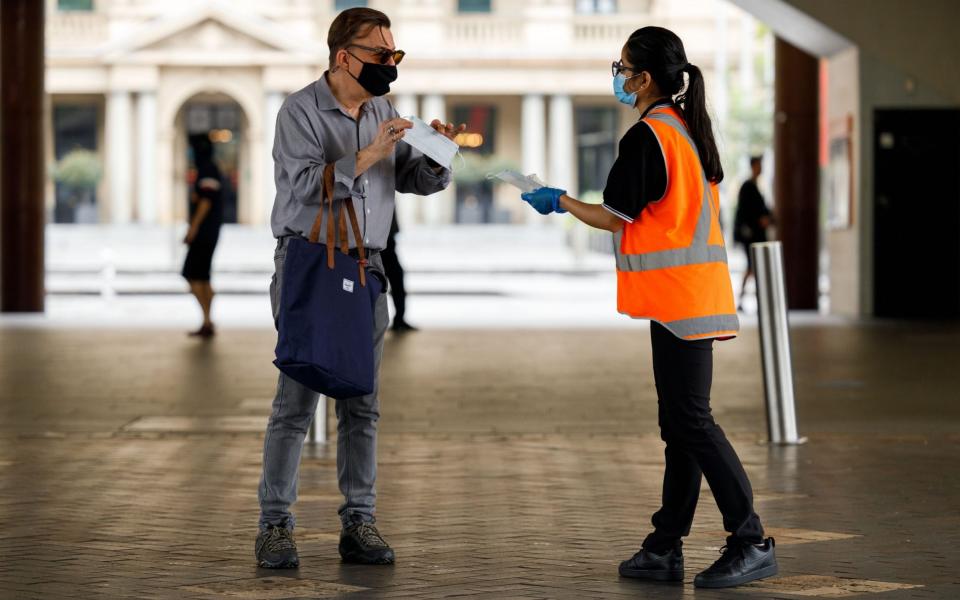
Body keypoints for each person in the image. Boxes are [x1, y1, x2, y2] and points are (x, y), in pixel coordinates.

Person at [519, 26, 778, 589]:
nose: (618, 74)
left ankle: (750, 539)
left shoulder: (648, 137)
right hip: (689, 295)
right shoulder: (685, 129)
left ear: (644, 76)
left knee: (691, 421)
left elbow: (615, 216)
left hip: (681, 299)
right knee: (680, 424)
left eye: (623, 65)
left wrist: (557, 201)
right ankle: (665, 545)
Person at [255, 7, 464, 570]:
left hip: (367, 270)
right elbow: (303, 187)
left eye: (395, 56)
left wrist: (438, 155)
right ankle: (275, 525)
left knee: (362, 403)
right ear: (344, 55)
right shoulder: (299, 111)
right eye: (380, 55)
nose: (389, 67)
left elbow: (408, 180)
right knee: (296, 401)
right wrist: (372, 148)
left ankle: (360, 521)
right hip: (310, 263)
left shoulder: (382, 107)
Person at [181, 133, 223, 338]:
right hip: (208, 231)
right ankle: (207, 320)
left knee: (192, 273)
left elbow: (205, 202)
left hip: (205, 232)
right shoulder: (208, 169)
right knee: (201, 275)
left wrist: (193, 228)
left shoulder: (207, 170)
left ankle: (207, 317)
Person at [733, 155, 774, 310]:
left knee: (753, 267)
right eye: (759, 165)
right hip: (751, 236)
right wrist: (760, 220)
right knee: (753, 266)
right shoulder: (748, 187)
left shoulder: (755, 186)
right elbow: (747, 211)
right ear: (753, 166)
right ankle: (748, 299)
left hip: (755, 235)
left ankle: (746, 300)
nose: (761, 168)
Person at [380, 209, 416, 332]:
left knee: (397, 281)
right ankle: (397, 320)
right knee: (392, 281)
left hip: (388, 242)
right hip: (378, 244)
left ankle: (399, 319)